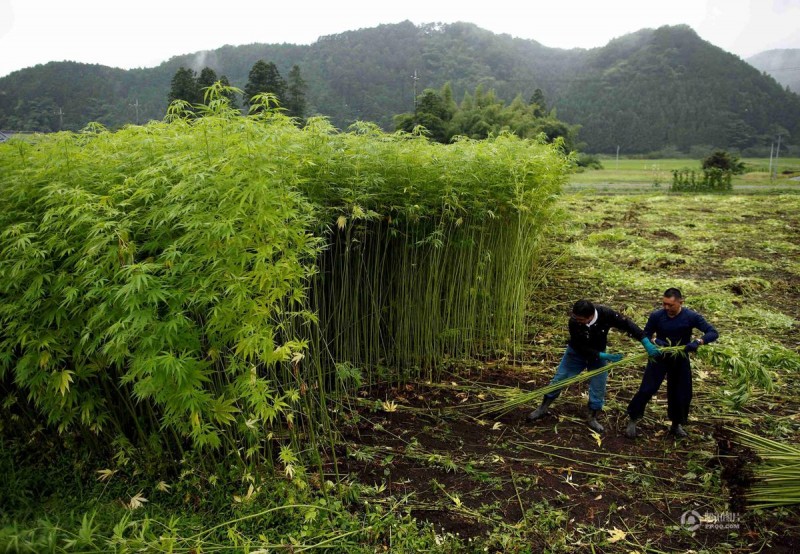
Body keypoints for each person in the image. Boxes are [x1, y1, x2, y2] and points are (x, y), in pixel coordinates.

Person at [528, 299, 660, 432]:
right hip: (576, 353)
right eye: (575, 317)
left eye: (580, 319)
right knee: (560, 379)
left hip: (598, 355)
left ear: (590, 316)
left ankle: (592, 417)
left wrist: (645, 341)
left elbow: (627, 324)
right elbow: (579, 346)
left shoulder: (606, 314)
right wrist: (602, 356)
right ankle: (543, 408)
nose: (576, 320)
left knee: (598, 386)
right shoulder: (573, 322)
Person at [625, 288, 719, 439]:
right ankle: (633, 418)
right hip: (659, 356)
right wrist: (654, 342)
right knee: (647, 388)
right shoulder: (657, 315)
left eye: (670, 305)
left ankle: (676, 424)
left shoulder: (691, 316)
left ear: (681, 302)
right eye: (664, 304)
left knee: (681, 392)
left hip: (680, 357)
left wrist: (698, 341)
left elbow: (712, 332)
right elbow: (646, 334)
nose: (666, 308)